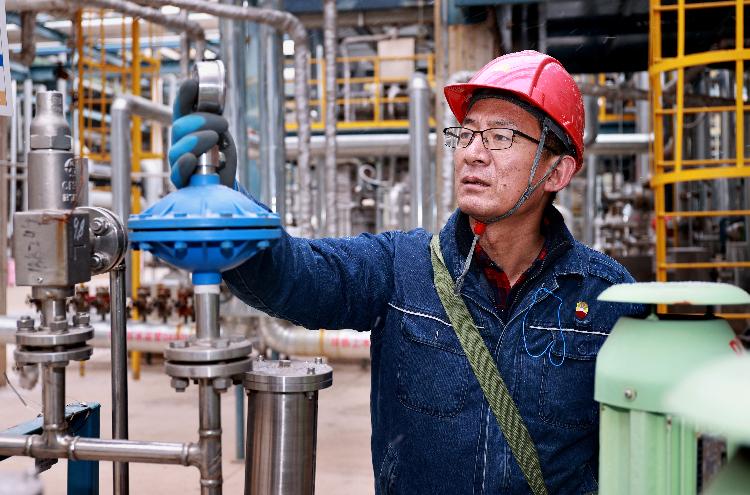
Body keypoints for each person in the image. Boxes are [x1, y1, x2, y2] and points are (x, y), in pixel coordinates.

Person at [169, 50, 641, 494]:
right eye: (466, 133)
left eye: (501, 137)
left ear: (557, 172)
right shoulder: (402, 268)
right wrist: (225, 197)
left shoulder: (608, 299)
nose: (473, 153)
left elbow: (643, 456)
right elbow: (291, 275)